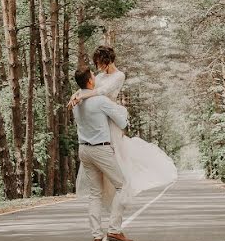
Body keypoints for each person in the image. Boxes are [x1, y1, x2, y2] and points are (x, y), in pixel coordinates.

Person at [69, 46, 178, 208]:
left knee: (116, 157)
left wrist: (81, 96)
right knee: (102, 161)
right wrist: (74, 96)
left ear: (108, 60)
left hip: (110, 117)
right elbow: (83, 88)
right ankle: (110, 199)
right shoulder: (98, 76)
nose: (97, 66)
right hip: (99, 118)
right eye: (96, 63)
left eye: (99, 62)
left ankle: (120, 196)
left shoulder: (119, 76)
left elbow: (102, 91)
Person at [71, 66, 137, 241]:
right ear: (90, 81)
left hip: (83, 150)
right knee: (122, 185)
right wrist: (120, 109)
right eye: (93, 76)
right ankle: (114, 229)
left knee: (95, 194)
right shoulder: (100, 101)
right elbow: (122, 122)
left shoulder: (75, 103)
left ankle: (96, 236)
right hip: (101, 149)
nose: (96, 77)